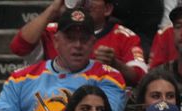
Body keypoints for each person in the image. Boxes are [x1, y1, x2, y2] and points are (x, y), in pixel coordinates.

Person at [0, 7, 127, 111]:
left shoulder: (109, 77)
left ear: (93, 43)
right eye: (70, 38)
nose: (78, 45)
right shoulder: (21, 78)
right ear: (56, 41)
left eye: (84, 39)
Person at [9, 0, 147, 86]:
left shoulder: (124, 36)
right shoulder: (55, 31)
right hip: (54, 98)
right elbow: (19, 47)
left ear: (107, 9)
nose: (85, 2)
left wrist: (115, 64)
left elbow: (141, 77)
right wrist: (53, 9)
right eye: (71, 38)